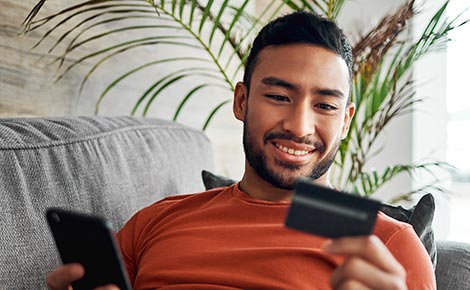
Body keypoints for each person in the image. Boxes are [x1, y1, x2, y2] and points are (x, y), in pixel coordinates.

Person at [47, 11, 436, 290]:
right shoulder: (156, 221)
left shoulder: (389, 245)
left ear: (346, 120)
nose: (299, 127)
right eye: (279, 96)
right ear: (241, 101)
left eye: (325, 105)